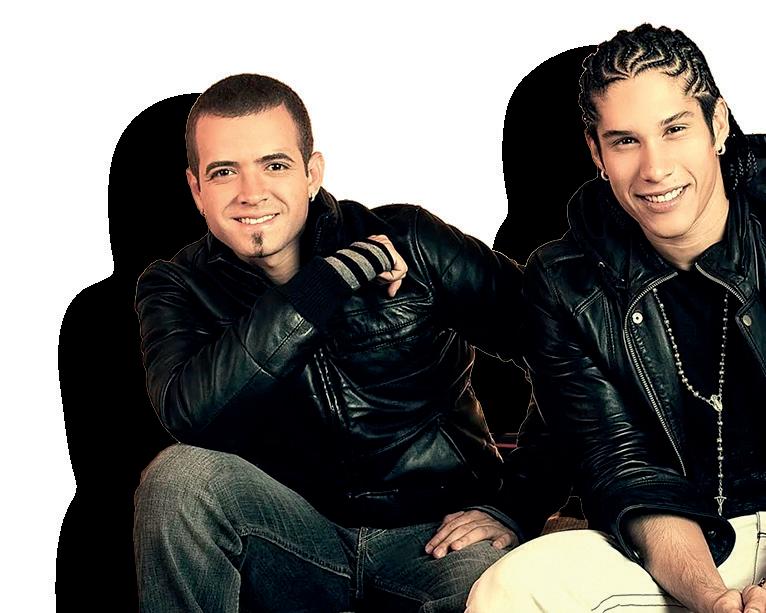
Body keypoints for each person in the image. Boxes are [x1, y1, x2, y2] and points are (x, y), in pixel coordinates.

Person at [133, 73, 562, 612]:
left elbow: (570, 348)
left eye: (274, 165)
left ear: (312, 173)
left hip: (440, 535)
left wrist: (517, 504)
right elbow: (189, 413)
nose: (251, 192)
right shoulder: (176, 286)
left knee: (496, 593)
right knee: (180, 478)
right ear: (197, 190)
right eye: (224, 172)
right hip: (295, 540)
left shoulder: (410, 240)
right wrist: (323, 285)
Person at [466, 24, 766, 613]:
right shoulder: (566, 283)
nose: (655, 168)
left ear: (718, 125)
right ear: (596, 152)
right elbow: (625, 468)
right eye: (626, 141)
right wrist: (714, 601)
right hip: (697, 539)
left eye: (674, 129)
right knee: (514, 587)